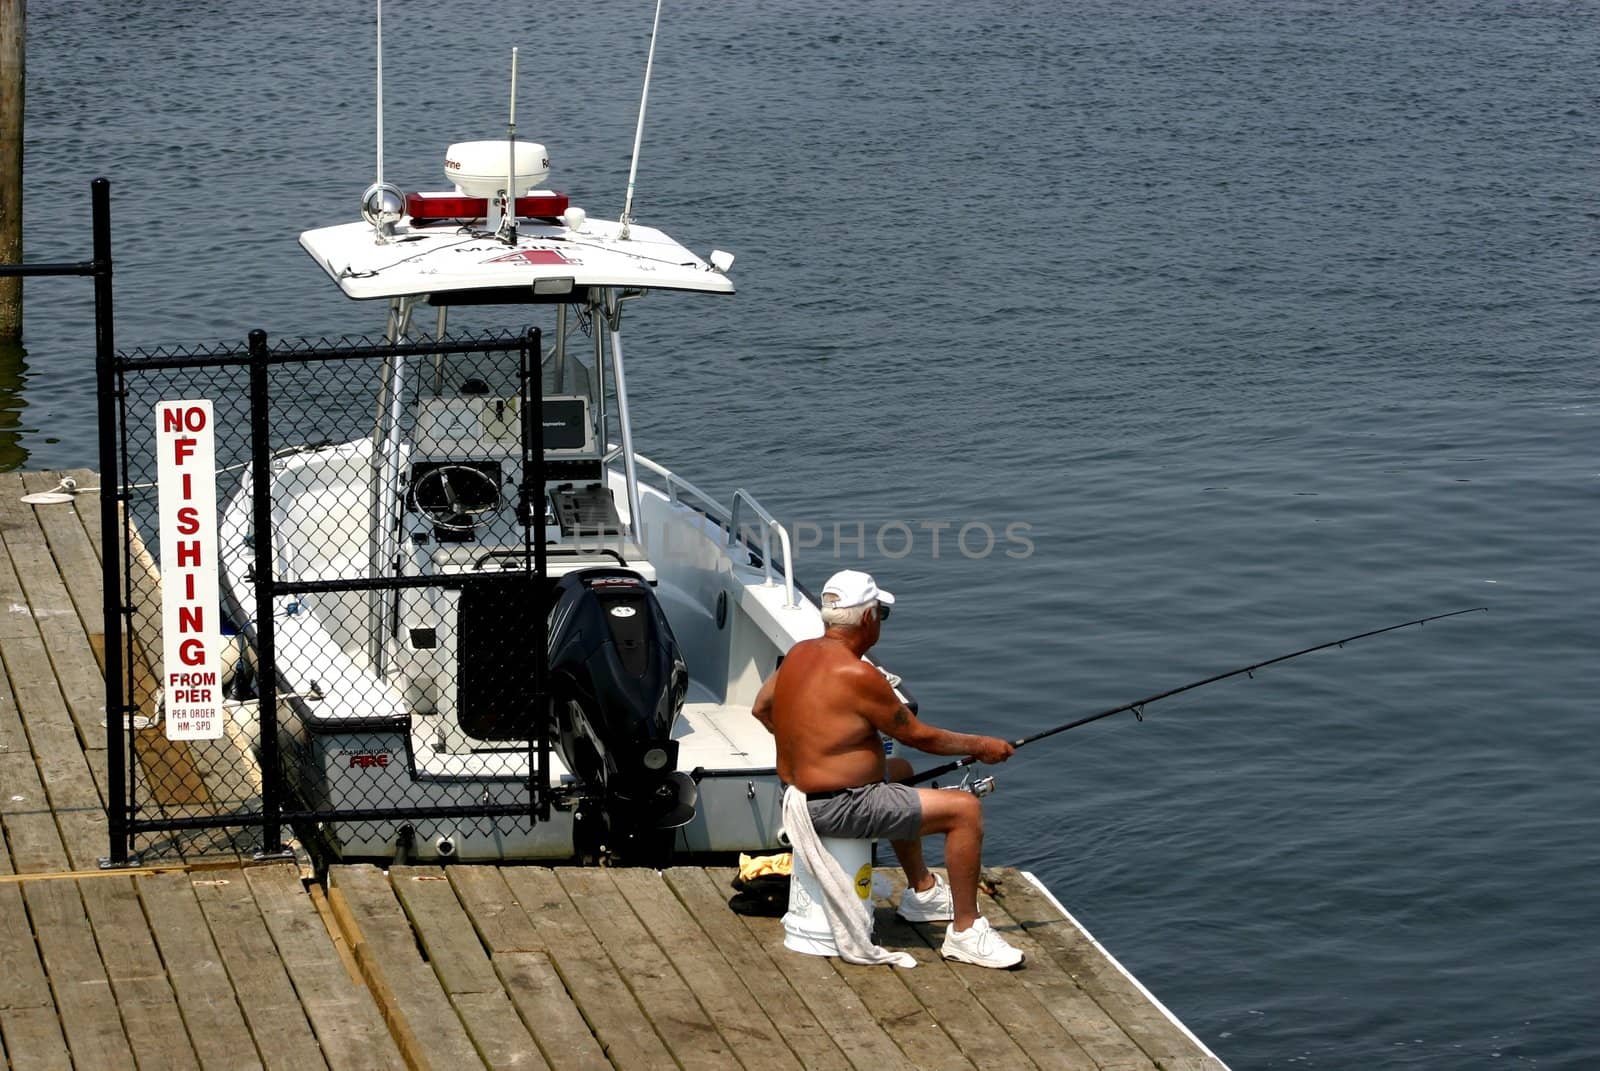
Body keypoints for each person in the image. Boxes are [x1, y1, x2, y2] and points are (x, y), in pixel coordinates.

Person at [752, 569, 1024, 969]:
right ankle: (967, 931)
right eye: (881, 613)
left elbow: (761, 708)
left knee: (898, 769)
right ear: (867, 619)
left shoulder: (799, 654)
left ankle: (923, 891)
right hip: (839, 807)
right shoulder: (859, 674)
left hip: (800, 795)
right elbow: (921, 736)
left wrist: (812, 750)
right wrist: (982, 746)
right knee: (965, 810)